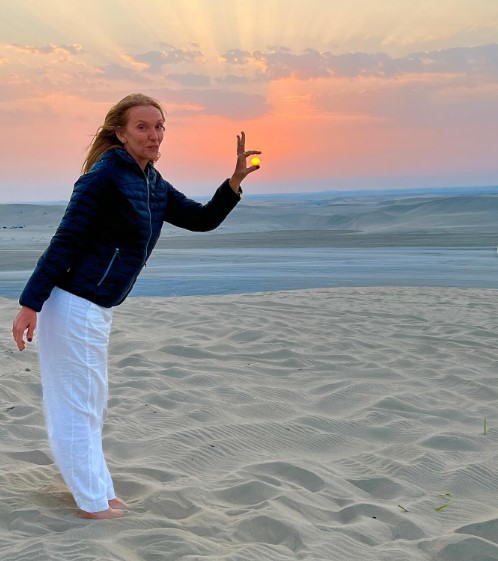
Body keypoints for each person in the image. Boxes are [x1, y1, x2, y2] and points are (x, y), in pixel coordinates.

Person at [12, 93, 261, 519]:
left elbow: (202, 219)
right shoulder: (103, 178)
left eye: (160, 126)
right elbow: (64, 242)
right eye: (143, 126)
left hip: (94, 309)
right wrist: (29, 304)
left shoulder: (151, 181)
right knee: (79, 405)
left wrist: (234, 181)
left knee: (88, 404)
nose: (154, 134)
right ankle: (92, 502)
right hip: (72, 304)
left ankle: (96, 491)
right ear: (120, 132)